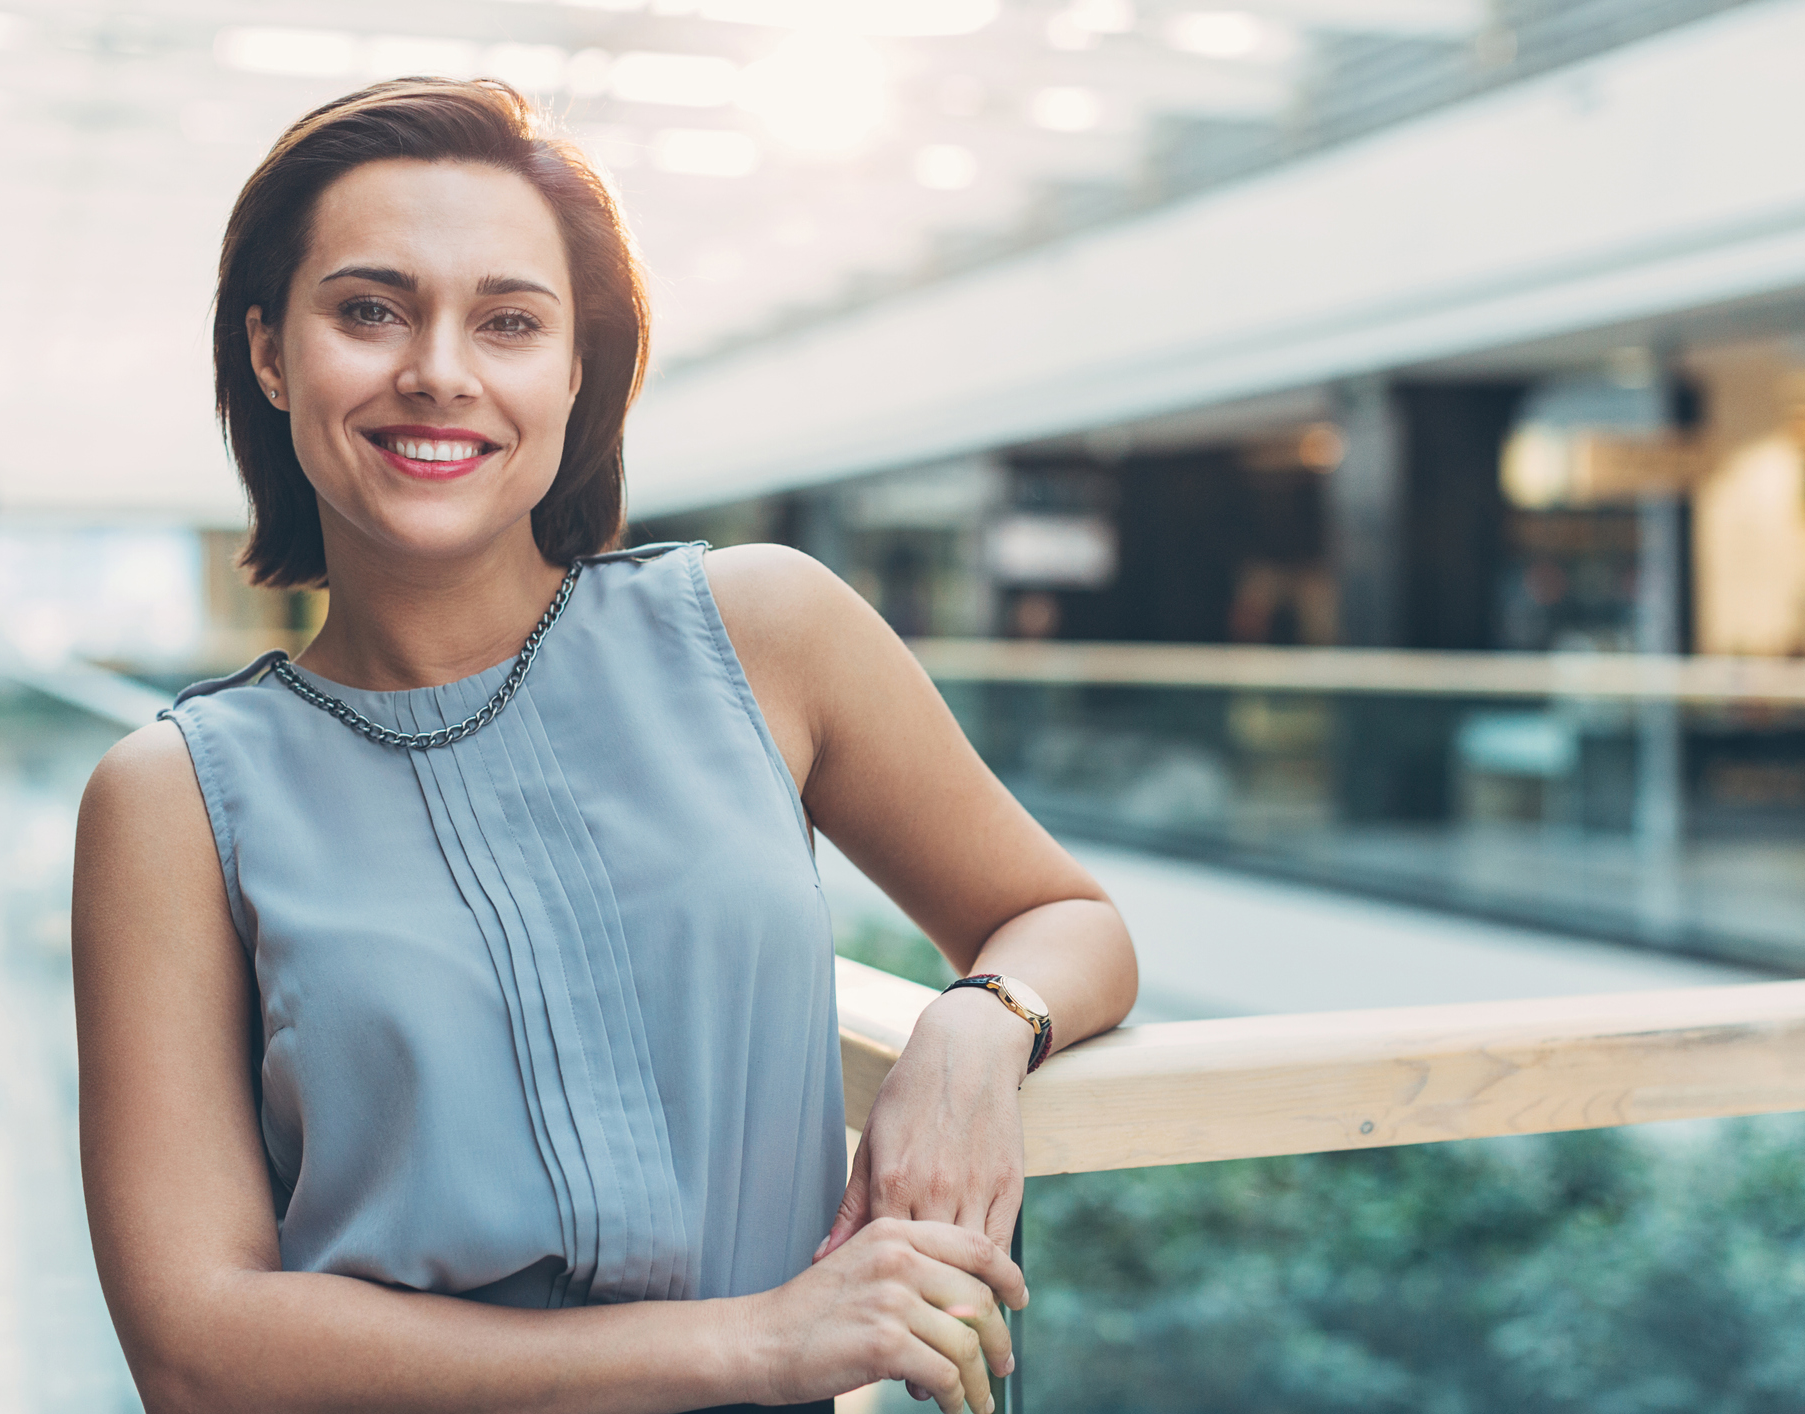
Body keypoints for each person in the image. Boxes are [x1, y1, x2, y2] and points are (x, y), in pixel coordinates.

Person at [73, 78, 1137, 1414]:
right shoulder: (173, 796)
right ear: (272, 354)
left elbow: (1067, 919)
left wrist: (975, 1028)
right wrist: (751, 1344)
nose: (439, 371)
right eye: (370, 310)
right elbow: (194, 1349)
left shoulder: (765, 629)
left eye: (509, 321)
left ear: (578, 371)